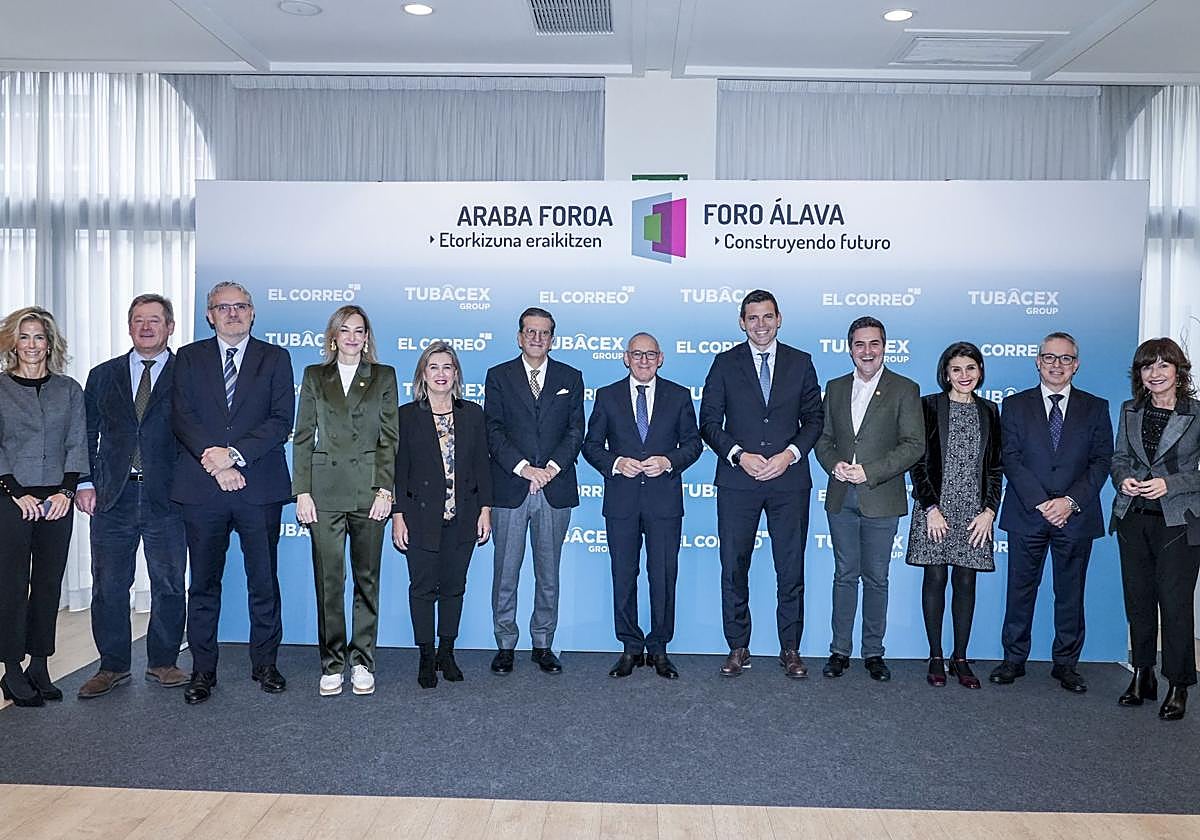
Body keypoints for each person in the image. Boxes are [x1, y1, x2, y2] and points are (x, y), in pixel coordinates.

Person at [172, 281, 295, 705]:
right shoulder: (188, 358)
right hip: (202, 489)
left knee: (263, 582)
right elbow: (181, 415)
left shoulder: (276, 358)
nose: (232, 313)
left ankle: (265, 663)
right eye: (222, 307)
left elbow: (281, 421)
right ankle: (203, 670)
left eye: (240, 306)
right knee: (204, 585)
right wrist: (215, 462)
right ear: (209, 315)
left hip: (257, 487)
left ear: (253, 312)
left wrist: (234, 457)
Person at [699, 289, 824, 678]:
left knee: (790, 569)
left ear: (779, 318)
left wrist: (789, 455)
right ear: (742, 322)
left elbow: (815, 419)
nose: (761, 324)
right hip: (739, 480)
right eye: (752, 318)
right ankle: (738, 646)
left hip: (789, 481)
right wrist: (739, 454)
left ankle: (791, 649)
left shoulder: (801, 362)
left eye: (767, 316)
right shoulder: (723, 363)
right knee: (733, 567)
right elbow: (708, 422)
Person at [75, 294, 189, 700]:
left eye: (155, 320)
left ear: (170, 327)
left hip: (168, 498)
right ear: (129, 326)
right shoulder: (102, 375)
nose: (146, 327)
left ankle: (163, 662)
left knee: (170, 583)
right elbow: (84, 435)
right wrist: (84, 482)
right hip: (113, 496)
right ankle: (112, 666)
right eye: (138, 320)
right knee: (108, 585)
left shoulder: (187, 374)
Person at [992, 331, 1113, 693]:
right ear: (1038, 362)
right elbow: (1009, 458)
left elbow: (1101, 460)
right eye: (1049, 357)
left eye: (1065, 359)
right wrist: (1043, 502)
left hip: (1075, 516)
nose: (1056, 365)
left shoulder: (1096, 407)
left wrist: (1069, 502)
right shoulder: (1014, 406)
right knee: (1020, 590)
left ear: (1075, 364)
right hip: (1028, 513)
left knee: (1071, 592)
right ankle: (1013, 659)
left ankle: (1066, 664)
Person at [582, 332, 702, 679]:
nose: (644, 361)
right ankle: (631, 647)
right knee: (624, 575)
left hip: (664, 501)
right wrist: (616, 463)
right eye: (637, 354)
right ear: (626, 358)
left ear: (661, 358)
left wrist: (669, 461)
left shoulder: (678, 395)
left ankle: (660, 647)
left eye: (650, 355)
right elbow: (591, 445)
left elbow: (693, 443)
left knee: (664, 576)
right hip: (622, 501)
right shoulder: (607, 396)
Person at [293, 305, 398, 697]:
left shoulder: (383, 376)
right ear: (333, 336)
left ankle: (362, 661)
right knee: (329, 580)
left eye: (359, 330)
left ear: (367, 337)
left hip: (370, 491)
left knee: (366, 580)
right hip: (324, 492)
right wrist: (302, 491)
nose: (353, 336)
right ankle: (332, 662)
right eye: (345, 330)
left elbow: (390, 437)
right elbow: (303, 436)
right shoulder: (314, 376)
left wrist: (385, 490)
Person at [814, 316, 923, 682]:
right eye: (859, 344)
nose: (867, 351)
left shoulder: (904, 388)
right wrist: (835, 465)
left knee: (876, 577)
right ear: (849, 349)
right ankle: (839, 651)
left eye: (873, 343)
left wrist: (870, 471)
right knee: (844, 575)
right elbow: (823, 439)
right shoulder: (835, 386)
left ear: (884, 346)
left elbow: (914, 445)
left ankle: (873, 652)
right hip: (842, 495)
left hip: (881, 496)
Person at [484, 307, 584, 675]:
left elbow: (576, 431)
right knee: (505, 573)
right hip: (511, 487)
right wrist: (525, 469)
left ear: (552, 338)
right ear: (519, 336)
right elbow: (493, 429)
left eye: (544, 333)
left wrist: (550, 470)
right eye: (531, 332)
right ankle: (505, 644)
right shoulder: (499, 377)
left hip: (554, 490)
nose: (537, 338)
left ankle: (543, 644)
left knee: (549, 574)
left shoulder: (570, 377)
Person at [0, 306, 87, 707]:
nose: (32, 345)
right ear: (12, 343)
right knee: (12, 585)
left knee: (49, 583)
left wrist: (65, 492)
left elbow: (77, 443)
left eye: (39, 337)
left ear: (49, 343)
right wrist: (17, 492)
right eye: (24, 336)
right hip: (10, 500)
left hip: (56, 501)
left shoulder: (69, 389)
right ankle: (12, 669)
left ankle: (39, 664)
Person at [1109, 337, 1200, 720]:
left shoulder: (1196, 413)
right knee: (1139, 601)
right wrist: (1124, 480)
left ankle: (1178, 684)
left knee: (1176, 606)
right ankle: (1142, 675)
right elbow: (1119, 458)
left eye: (1164, 365)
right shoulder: (1130, 410)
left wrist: (1171, 483)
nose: (1155, 373)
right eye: (1148, 367)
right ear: (1140, 374)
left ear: (1179, 372)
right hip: (1133, 517)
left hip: (1178, 522)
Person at [393, 341, 493, 688]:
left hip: (463, 516)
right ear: (423, 373)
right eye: (433, 367)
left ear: (456, 374)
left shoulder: (473, 414)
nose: (440, 374)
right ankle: (425, 655)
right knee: (422, 588)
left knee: (454, 587)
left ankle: (446, 653)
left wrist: (485, 509)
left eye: (447, 367)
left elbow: (483, 465)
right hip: (419, 518)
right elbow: (398, 470)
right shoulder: (406, 416)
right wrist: (398, 515)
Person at [906, 342, 1002, 689]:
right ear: (946, 373)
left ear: (980, 372)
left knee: (966, 583)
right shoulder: (928, 407)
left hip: (975, 514)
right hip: (936, 510)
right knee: (934, 580)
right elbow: (917, 463)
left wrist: (990, 511)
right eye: (957, 369)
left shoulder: (990, 411)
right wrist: (930, 508)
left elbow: (994, 468)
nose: (964, 376)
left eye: (971, 368)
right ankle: (935, 655)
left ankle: (960, 657)